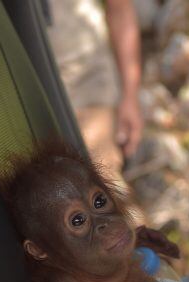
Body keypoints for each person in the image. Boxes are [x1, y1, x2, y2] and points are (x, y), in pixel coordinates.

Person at [45, 0, 143, 183]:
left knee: (102, 183)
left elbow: (120, 9)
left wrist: (130, 96)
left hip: (86, 87)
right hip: (15, 90)